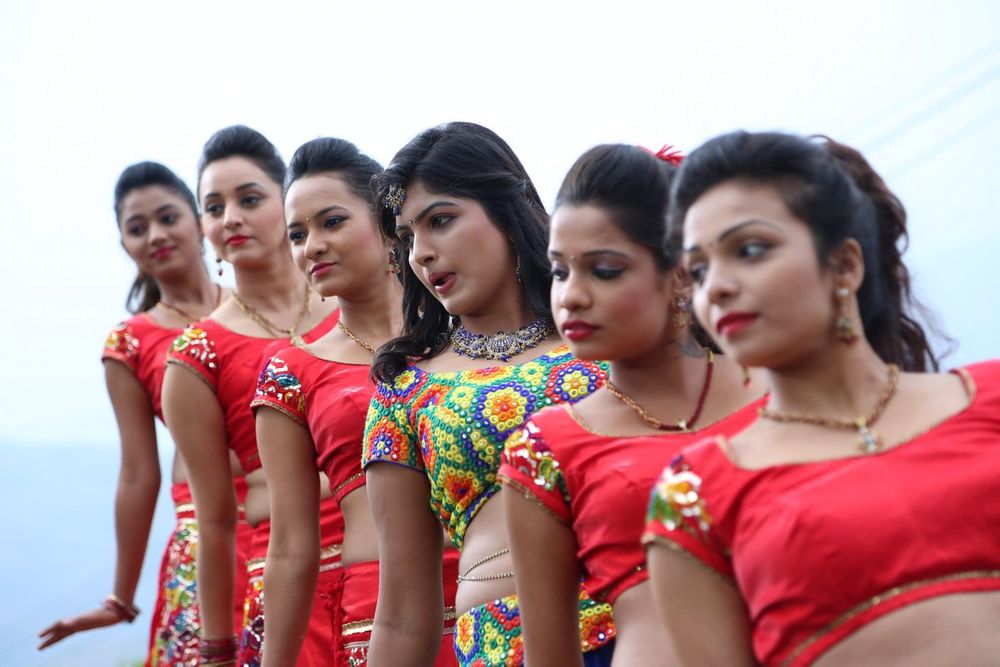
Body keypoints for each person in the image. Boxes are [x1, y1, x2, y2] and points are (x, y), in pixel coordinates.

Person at [643, 131, 1000, 666]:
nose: (715, 287)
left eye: (750, 250)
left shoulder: (989, 400)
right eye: (699, 269)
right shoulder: (695, 496)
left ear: (845, 264)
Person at [498, 144, 766, 666]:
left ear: (681, 275)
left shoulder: (777, 393)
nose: (571, 296)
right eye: (560, 271)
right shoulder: (545, 450)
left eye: (604, 270)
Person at [361, 122, 616, 667]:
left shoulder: (606, 337)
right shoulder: (407, 389)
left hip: (645, 629)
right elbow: (403, 613)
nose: (422, 253)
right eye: (407, 238)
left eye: (441, 220)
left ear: (508, 210)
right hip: (502, 647)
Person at [251, 137, 458, 666]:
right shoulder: (292, 372)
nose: (312, 246)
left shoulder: (464, 340)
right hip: (378, 616)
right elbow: (291, 549)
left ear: (387, 226)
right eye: (298, 234)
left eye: (332, 222)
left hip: (490, 594)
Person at [37, 161, 251, 665]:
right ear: (126, 246)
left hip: (297, 522)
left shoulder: (260, 307)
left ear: (199, 221)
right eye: (137, 228)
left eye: (167, 218)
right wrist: (121, 597)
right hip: (203, 539)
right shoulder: (130, 343)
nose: (155, 235)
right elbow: (137, 473)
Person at [162, 126, 341, 666]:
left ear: (287, 202)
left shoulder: (353, 306)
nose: (231, 218)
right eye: (214, 208)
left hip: (395, 557)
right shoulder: (197, 355)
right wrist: (217, 648)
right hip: (289, 588)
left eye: (250, 199)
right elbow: (216, 520)